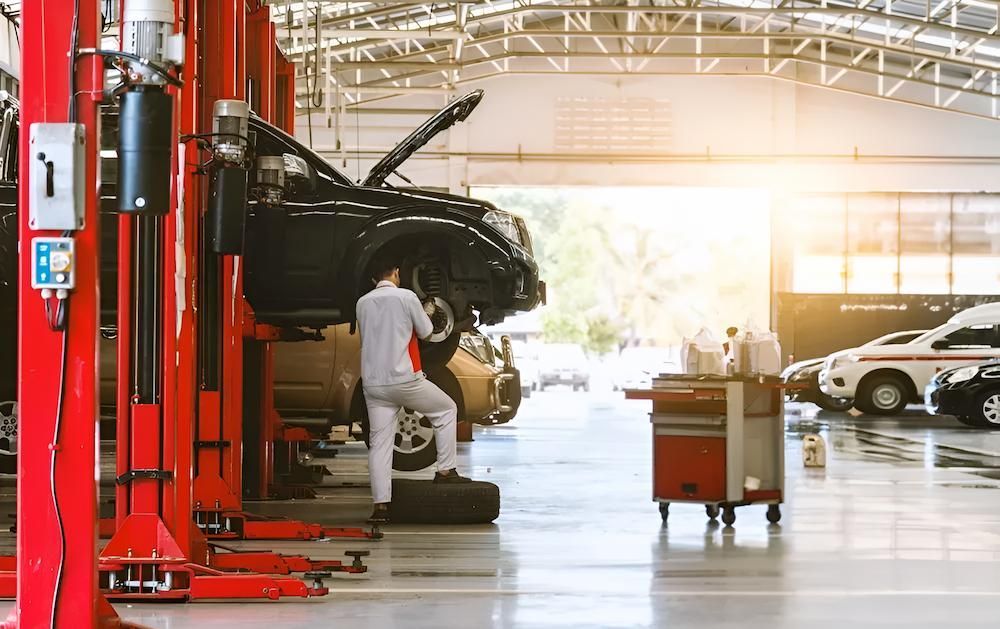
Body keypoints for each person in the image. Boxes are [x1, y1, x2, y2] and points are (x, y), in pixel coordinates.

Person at [356, 256, 471, 524]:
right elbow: (427, 332)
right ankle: (445, 471)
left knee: (380, 444)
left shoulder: (362, 303)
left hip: (373, 384)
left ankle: (381, 506)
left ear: (374, 279)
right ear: (396, 272)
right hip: (404, 379)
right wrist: (428, 310)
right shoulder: (406, 298)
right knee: (446, 410)